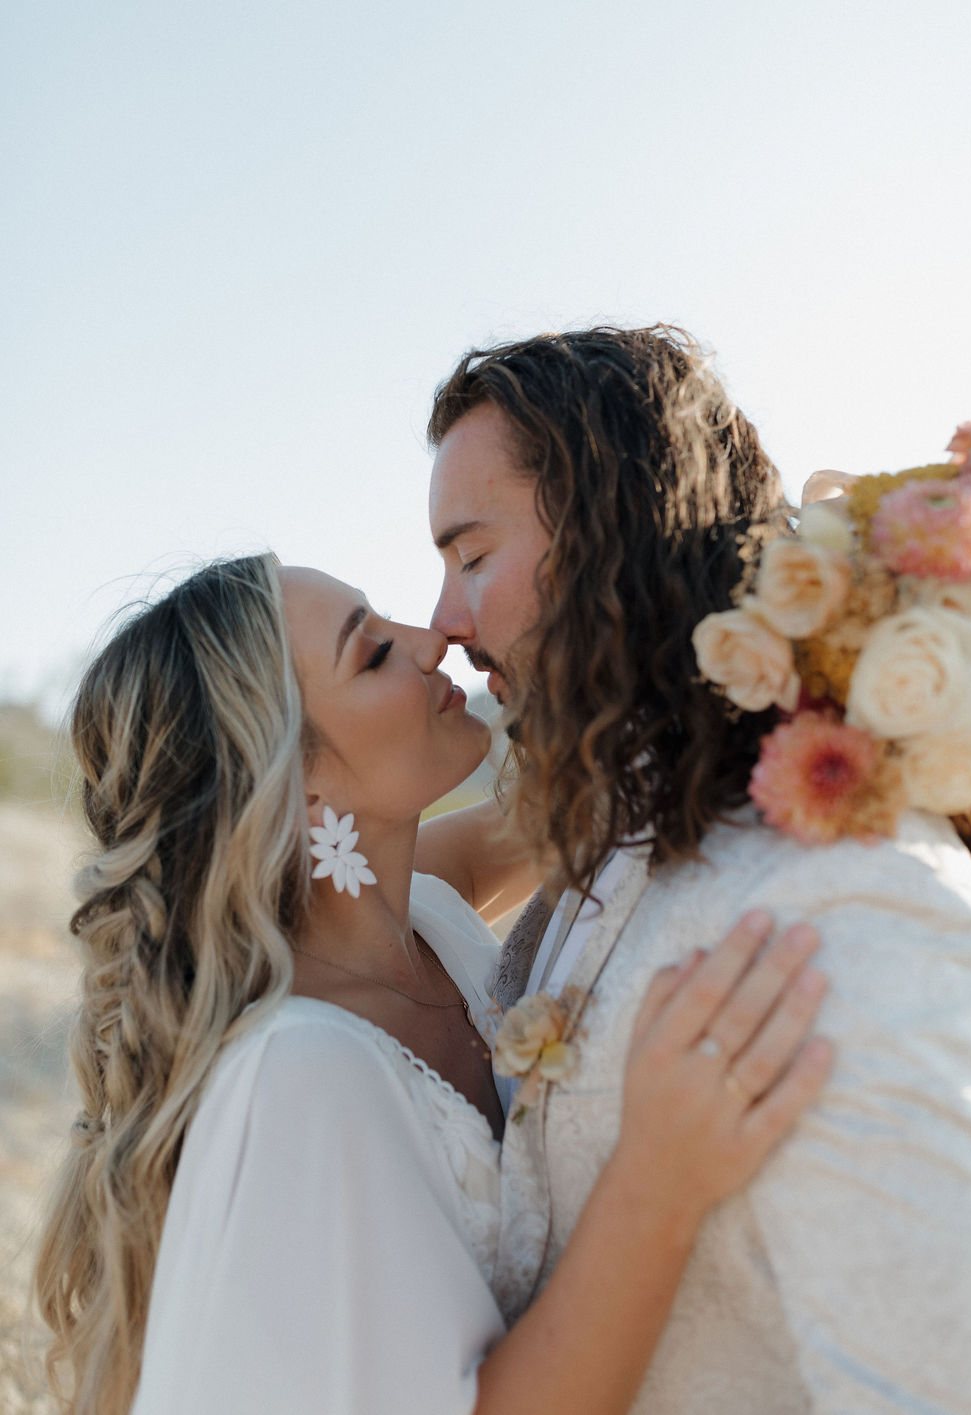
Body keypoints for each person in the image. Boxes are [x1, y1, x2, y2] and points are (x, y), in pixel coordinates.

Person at [32, 554, 831, 1415]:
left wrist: (794, 638)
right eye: (371, 653)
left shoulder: (426, 919)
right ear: (299, 778)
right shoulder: (301, 1074)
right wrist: (660, 1176)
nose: (431, 642)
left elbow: (586, 798)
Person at [427, 325, 971, 1413]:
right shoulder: (601, 864)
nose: (445, 622)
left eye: (471, 556)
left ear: (608, 523)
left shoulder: (844, 887)